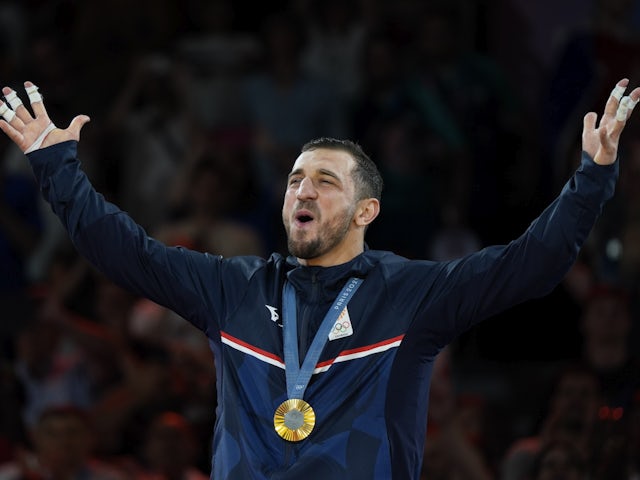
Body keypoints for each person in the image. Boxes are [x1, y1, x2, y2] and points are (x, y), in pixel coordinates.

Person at [0, 77, 638, 480]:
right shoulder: (232, 288)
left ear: (367, 211)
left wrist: (592, 177)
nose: (302, 188)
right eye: (294, 179)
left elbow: (530, 264)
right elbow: (124, 253)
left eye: (325, 180)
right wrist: (57, 167)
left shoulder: (412, 295)